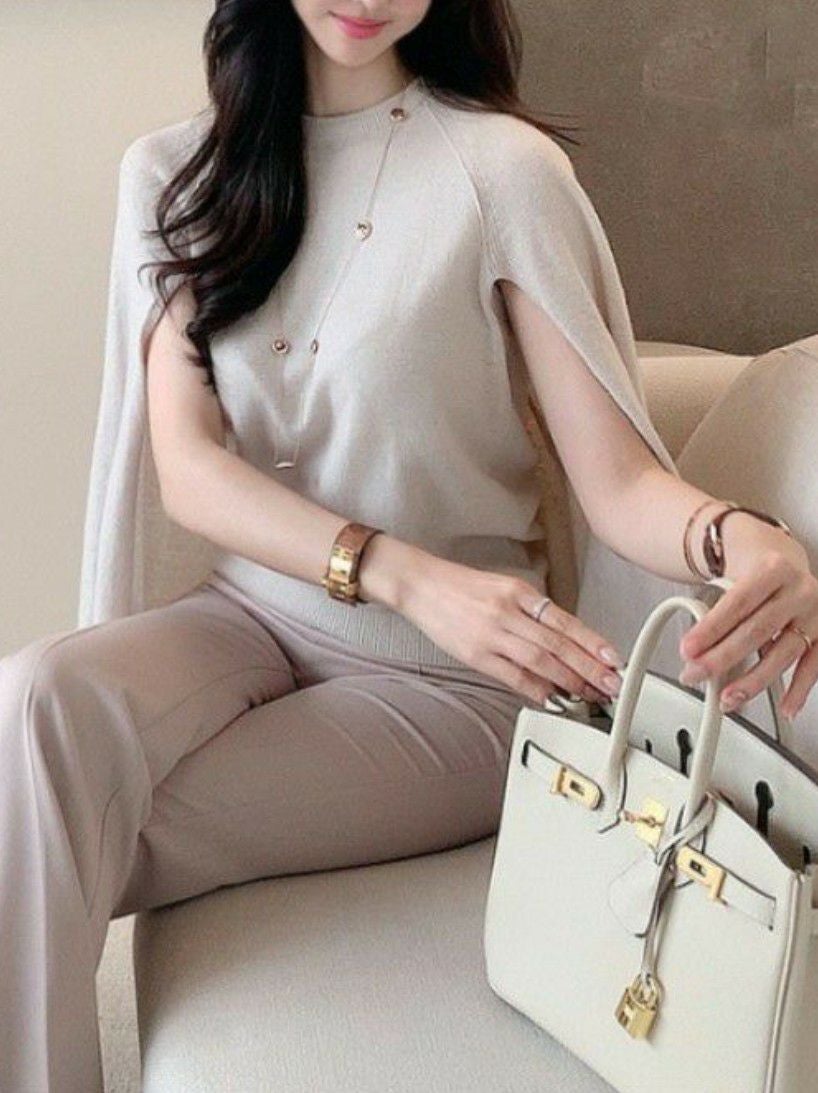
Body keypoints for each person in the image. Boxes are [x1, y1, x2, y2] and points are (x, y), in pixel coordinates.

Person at [3, 1, 817, 1089]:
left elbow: (619, 484)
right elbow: (191, 468)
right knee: (35, 703)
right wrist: (400, 573)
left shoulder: (502, 173)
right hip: (249, 616)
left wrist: (743, 537)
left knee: (44, 818)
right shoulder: (173, 174)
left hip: (452, 680)